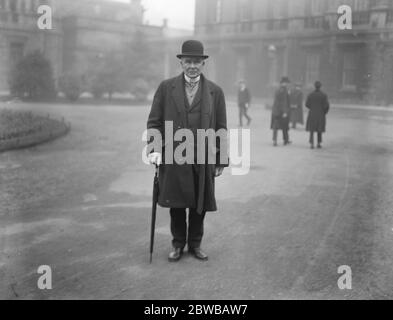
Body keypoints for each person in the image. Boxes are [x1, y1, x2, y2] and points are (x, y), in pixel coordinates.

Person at [146, 40, 228, 262]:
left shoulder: (215, 92)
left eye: (197, 62)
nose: (193, 66)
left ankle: (195, 244)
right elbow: (154, 122)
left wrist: (221, 159)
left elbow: (221, 126)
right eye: (188, 61)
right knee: (177, 203)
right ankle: (178, 244)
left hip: (203, 156)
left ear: (203, 64)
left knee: (199, 204)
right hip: (174, 155)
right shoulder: (166, 87)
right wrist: (154, 149)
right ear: (181, 62)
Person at [305, 81, 330, 149]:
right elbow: (326, 106)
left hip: (312, 114)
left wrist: (312, 108)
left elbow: (307, 104)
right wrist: (324, 112)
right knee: (319, 129)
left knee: (312, 129)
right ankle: (319, 143)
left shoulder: (310, 95)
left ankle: (312, 143)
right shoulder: (324, 95)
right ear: (320, 86)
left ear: (314, 86)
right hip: (320, 114)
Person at [271, 76, 291, 146]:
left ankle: (283, 140)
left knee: (281, 126)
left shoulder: (281, 89)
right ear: (283, 83)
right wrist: (285, 112)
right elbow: (283, 102)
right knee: (281, 126)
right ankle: (280, 140)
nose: (287, 84)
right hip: (280, 111)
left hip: (277, 110)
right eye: (286, 83)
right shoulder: (282, 90)